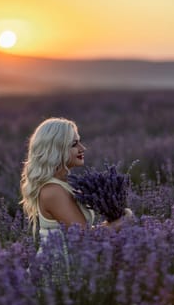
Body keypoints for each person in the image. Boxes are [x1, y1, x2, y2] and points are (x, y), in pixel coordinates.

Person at [20, 117, 132, 282]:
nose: (82, 148)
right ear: (56, 149)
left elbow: (80, 231)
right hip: (55, 277)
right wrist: (121, 222)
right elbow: (85, 238)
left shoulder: (64, 186)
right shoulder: (53, 191)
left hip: (72, 272)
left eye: (79, 142)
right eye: (74, 144)